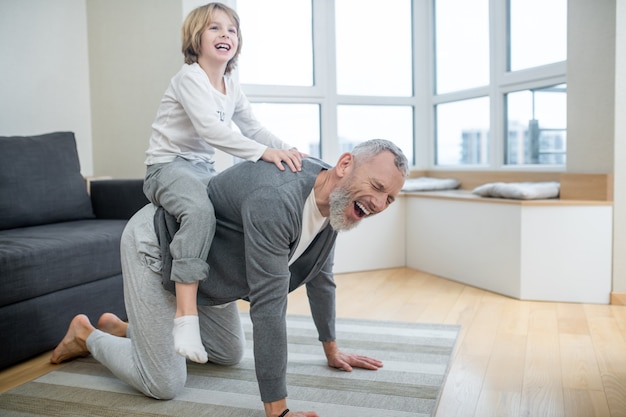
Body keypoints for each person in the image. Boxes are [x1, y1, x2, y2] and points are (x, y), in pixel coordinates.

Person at [51, 139, 409, 417]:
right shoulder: (278, 198)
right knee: (164, 384)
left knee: (228, 354)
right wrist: (278, 409)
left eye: (389, 199)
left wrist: (332, 349)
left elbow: (321, 278)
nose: (379, 203)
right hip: (159, 248)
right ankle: (88, 336)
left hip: (210, 272)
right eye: (377, 187)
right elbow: (269, 307)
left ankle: (130, 330)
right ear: (345, 164)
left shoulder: (336, 204)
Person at [143, 2, 303, 364]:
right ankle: (186, 318)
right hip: (166, 167)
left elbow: (253, 127)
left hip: (201, 169)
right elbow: (211, 130)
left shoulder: (231, 83)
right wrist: (263, 153)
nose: (225, 35)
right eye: (215, 28)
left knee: (228, 216)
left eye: (231, 30)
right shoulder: (189, 78)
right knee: (200, 211)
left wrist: (286, 150)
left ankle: (216, 295)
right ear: (196, 38)